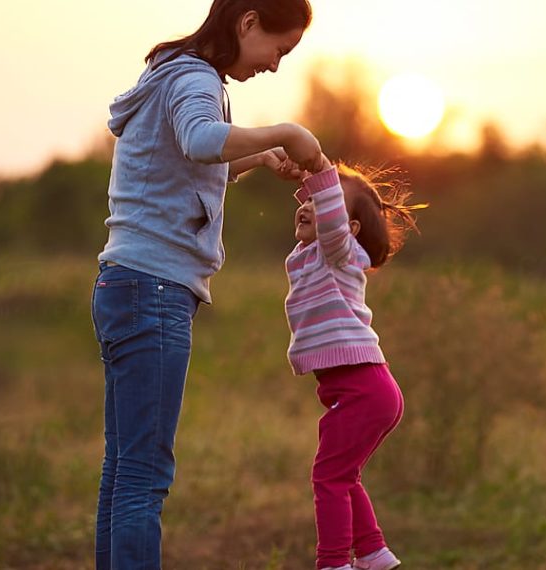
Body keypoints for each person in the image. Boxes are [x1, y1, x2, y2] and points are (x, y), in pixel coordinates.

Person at [90, 1, 322, 568]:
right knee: (144, 477)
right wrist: (289, 134)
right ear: (247, 23)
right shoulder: (194, 78)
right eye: (279, 48)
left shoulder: (172, 71)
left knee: (123, 471)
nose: (275, 65)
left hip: (126, 282)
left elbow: (180, 164)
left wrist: (260, 157)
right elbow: (197, 139)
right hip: (156, 290)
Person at [284, 158, 424, 570]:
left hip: (365, 388)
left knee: (327, 477)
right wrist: (307, 178)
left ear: (349, 229)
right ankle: (373, 553)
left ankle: (332, 563)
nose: (308, 206)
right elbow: (320, 205)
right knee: (344, 475)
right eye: (307, 200)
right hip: (368, 389)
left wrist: (319, 165)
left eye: (322, 203)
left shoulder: (340, 252)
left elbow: (329, 219)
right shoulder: (313, 254)